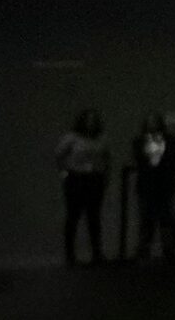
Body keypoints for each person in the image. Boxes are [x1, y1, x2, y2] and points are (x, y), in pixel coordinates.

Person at [56, 109, 110, 266]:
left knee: (94, 217)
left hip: (94, 178)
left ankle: (97, 253)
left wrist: (105, 176)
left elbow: (106, 159)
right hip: (76, 179)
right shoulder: (72, 138)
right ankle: (70, 255)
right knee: (73, 216)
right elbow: (59, 154)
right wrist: (65, 173)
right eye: (88, 120)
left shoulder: (101, 138)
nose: (91, 123)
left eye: (93, 120)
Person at [128, 112, 175, 260]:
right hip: (147, 185)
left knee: (166, 218)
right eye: (150, 122)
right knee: (146, 218)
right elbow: (139, 160)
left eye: (155, 122)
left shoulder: (171, 141)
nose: (153, 125)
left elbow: (172, 159)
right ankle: (144, 249)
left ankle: (168, 249)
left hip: (165, 184)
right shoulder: (139, 141)